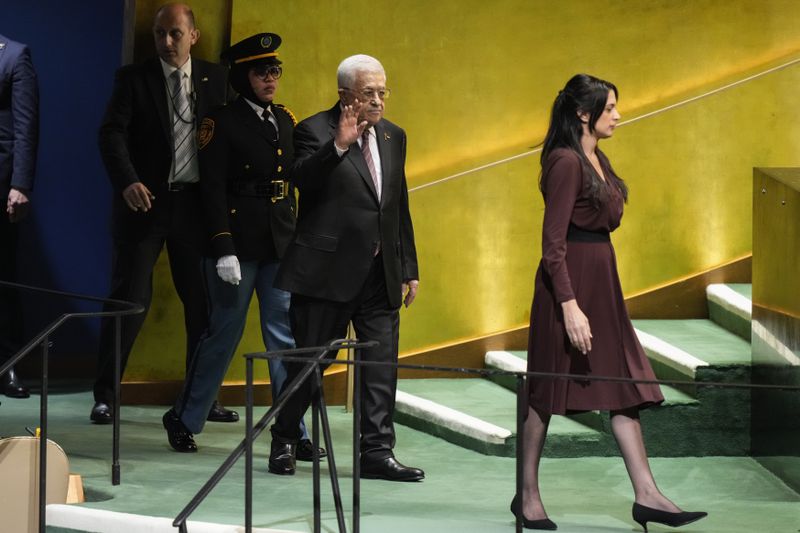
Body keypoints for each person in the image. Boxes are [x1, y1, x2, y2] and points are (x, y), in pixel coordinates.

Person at [518, 74, 707, 531]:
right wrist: (569, 304)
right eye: (610, 109)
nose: (618, 116)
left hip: (602, 284)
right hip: (570, 289)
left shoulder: (596, 157)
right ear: (584, 113)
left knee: (622, 386)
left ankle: (648, 496)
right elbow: (553, 244)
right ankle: (527, 497)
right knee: (546, 391)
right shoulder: (565, 162)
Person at [162, 33, 323, 460]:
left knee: (284, 339)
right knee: (223, 333)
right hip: (236, 244)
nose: (271, 79)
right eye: (261, 71)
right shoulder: (220, 121)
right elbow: (210, 190)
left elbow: (289, 186)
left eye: (275, 71)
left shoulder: (285, 119)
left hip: (277, 242)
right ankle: (184, 416)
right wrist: (222, 247)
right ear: (242, 76)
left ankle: (292, 430)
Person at [268, 54, 422, 482]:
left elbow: (397, 205)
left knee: (380, 367)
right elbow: (301, 179)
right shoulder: (313, 130)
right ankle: (283, 439)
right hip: (325, 273)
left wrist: (408, 265)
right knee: (311, 364)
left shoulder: (394, 136)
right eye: (368, 92)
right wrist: (338, 145)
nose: (377, 100)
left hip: (379, 273)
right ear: (344, 95)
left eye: (382, 91)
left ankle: (376, 452)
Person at [93, 3, 236, 425]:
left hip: (195, 209)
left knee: (202, 306)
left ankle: (200, 398)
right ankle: (105, 396)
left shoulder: (217, 80)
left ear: (193, 35)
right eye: (159, 34)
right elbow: (110, 133)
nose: (166, 42)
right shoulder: (133, 79)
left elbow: (229, 142)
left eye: (175, 33)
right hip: (145, 204)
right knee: (128, 302)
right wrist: (127, 181)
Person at [0, 33, 38, 400]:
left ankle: (8, 364)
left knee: (4, 280)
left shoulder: (13, 55)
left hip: (1, 184)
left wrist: (21, 184)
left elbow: (26, 126)